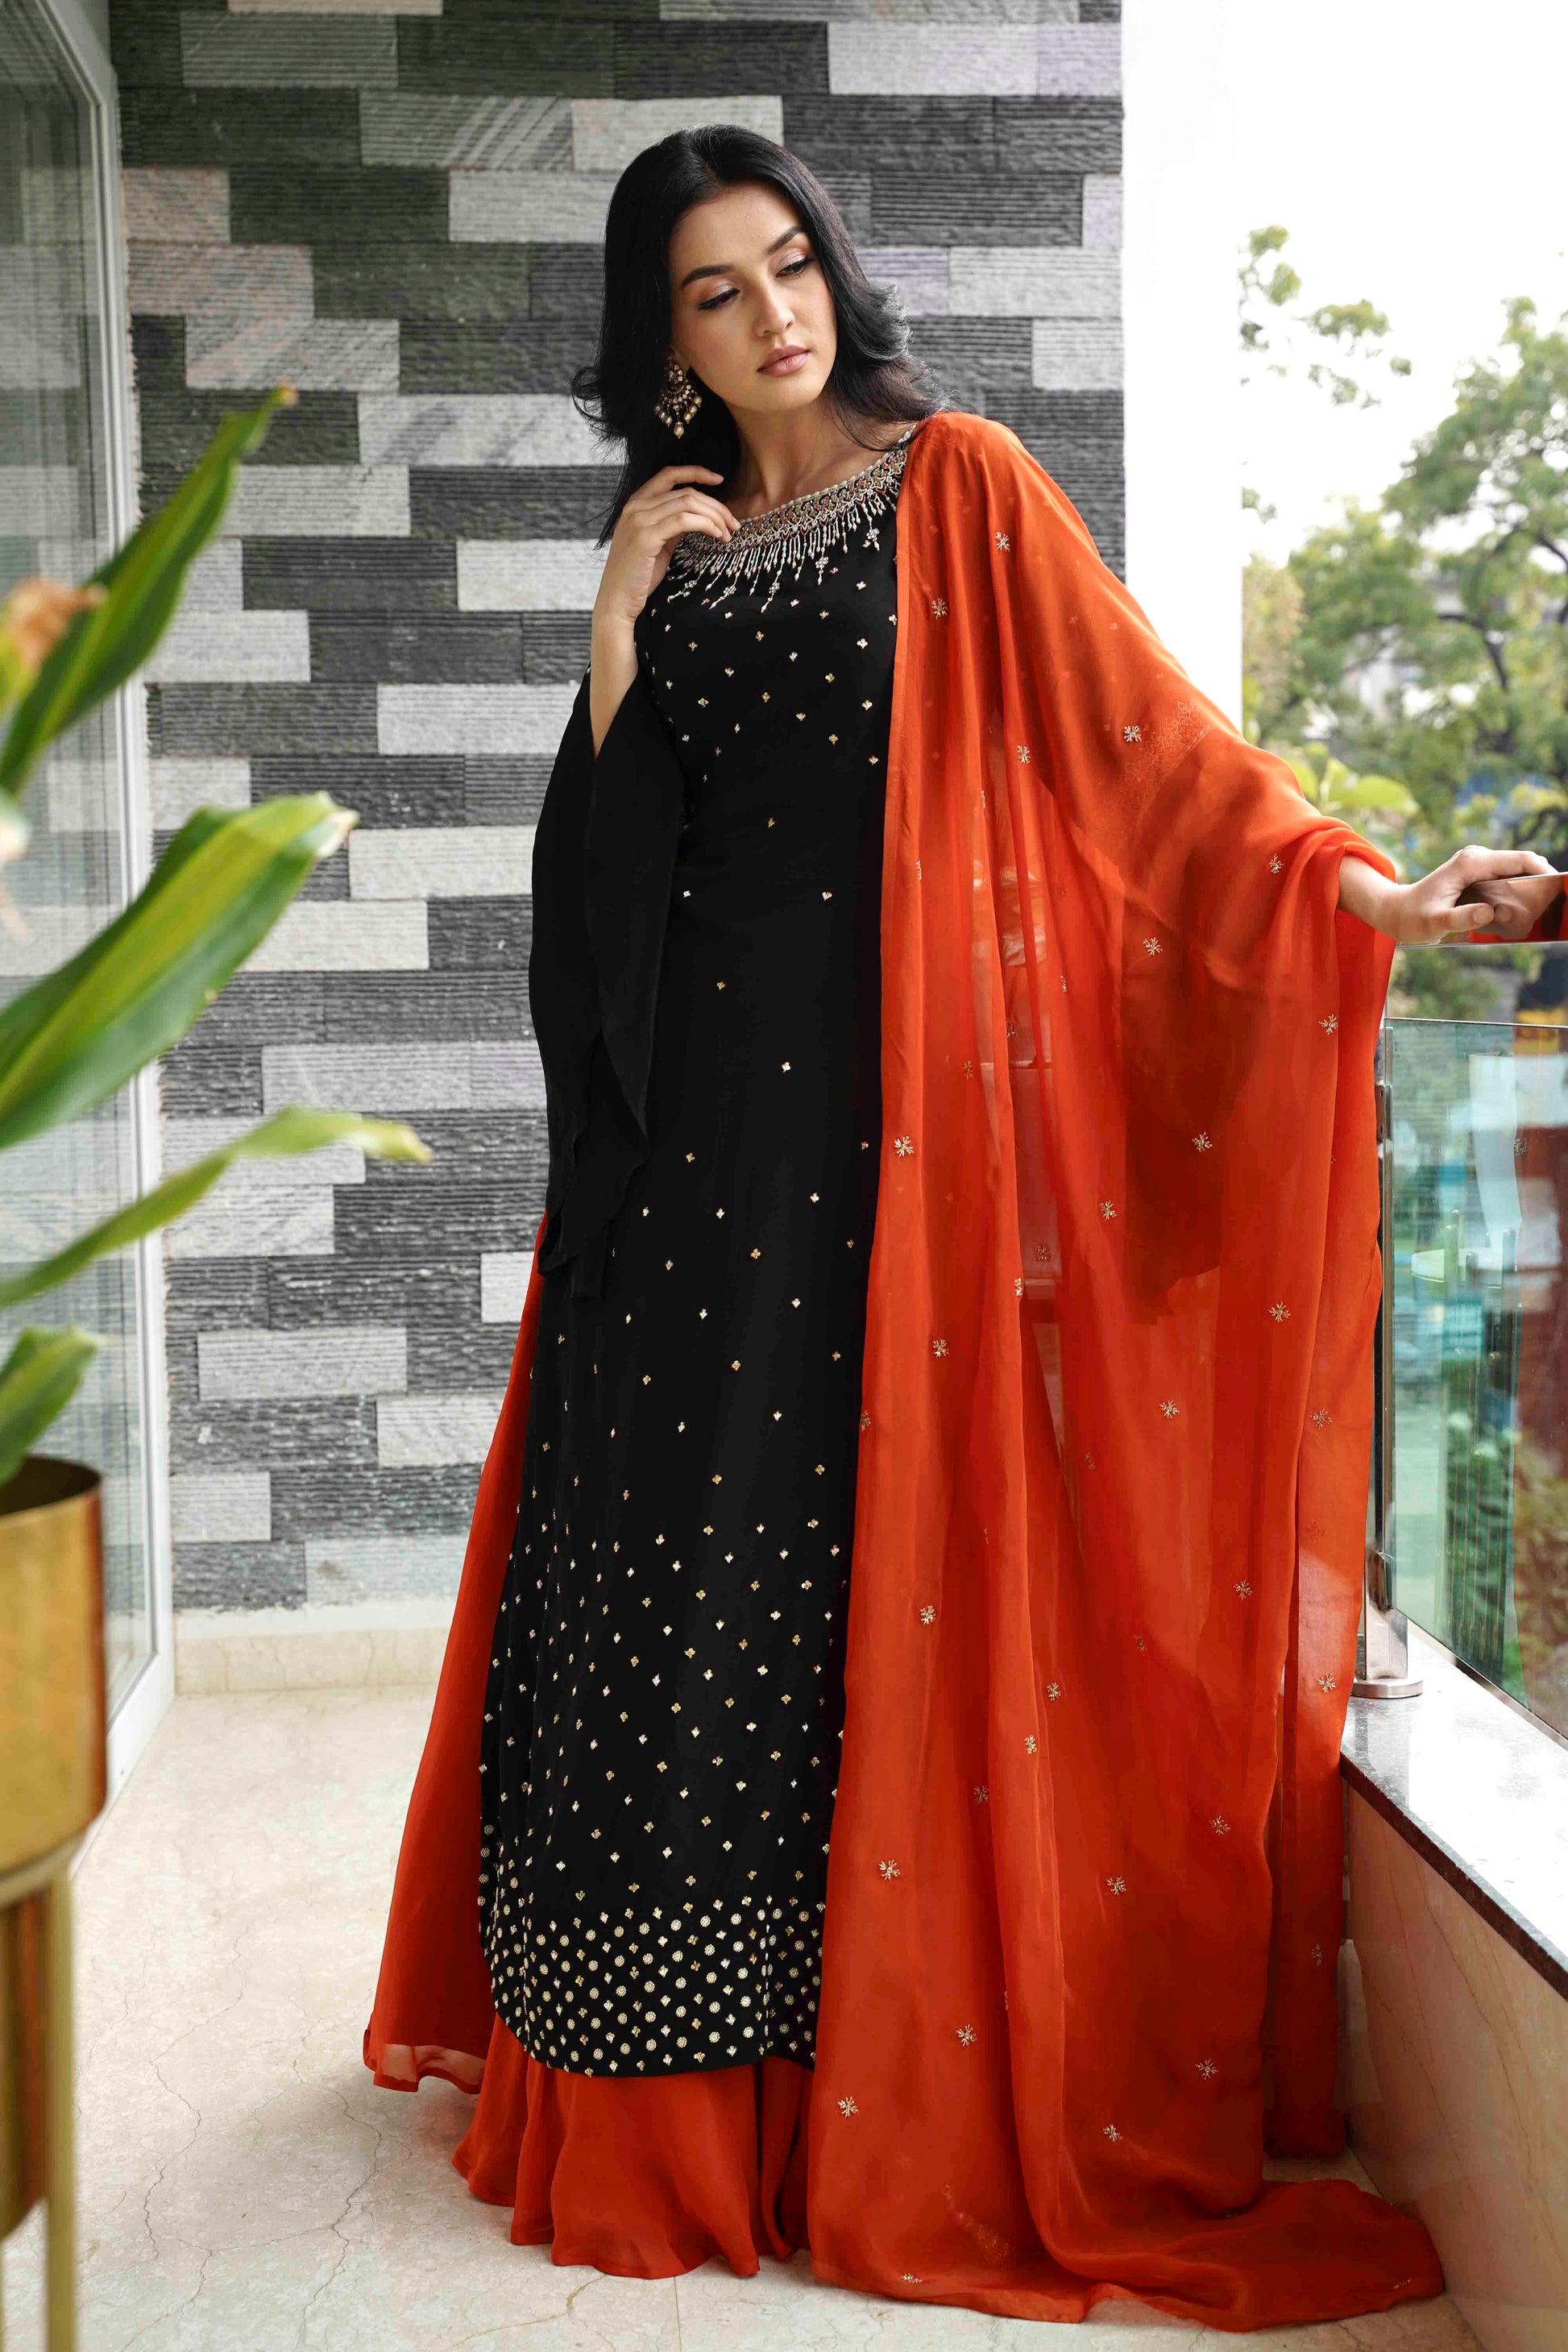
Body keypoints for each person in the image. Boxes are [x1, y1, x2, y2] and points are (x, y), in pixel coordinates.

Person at [364, 125, 1561, 2327]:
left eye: (788, 263)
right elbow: (613, 862)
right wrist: (618, 614)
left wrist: (1372, 895)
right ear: (660, 340)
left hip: (876, 1168)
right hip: (672, 1164)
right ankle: (649, 2088)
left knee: (839, 1595)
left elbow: (1157, 772)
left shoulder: (960, 487)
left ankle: (856, 2094)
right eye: (713, 292)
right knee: (664, 1582)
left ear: (836, 271)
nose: (770, 313)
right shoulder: (687, 541)